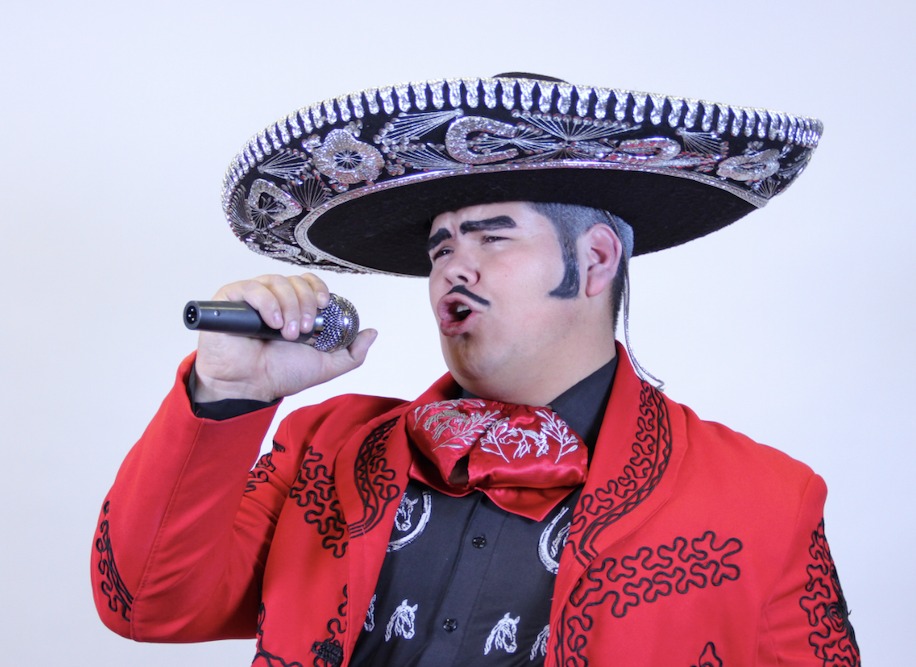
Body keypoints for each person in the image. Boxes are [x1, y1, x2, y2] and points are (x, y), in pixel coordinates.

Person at [92, 74, 860, 666]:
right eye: (441, 249)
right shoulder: (324, 448)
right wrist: (229, 391)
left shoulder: (766, 501)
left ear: (595, 260)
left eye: (492, 238)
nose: (453, 271)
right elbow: (145, 603)